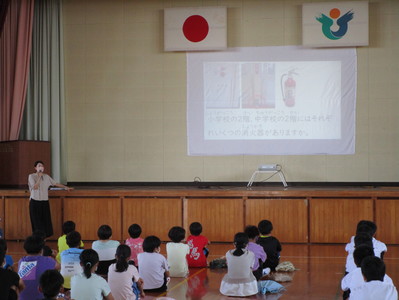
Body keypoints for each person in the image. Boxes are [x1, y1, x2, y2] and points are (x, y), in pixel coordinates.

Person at [28, 160, 72, 238]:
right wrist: (39, 177)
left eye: (42, 166)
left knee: (46, 221)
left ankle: (44, 239)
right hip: (35, 202)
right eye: (39, 166)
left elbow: (55, 183)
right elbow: (35, 187)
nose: (41, 167)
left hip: (44, 202)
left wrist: (66, 187)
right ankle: (38, 239)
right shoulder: (31, 176)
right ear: (35, 168)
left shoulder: (46, 176)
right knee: (36, 222)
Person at [18, 235, 59, 300]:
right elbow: (59, 267)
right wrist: (54, 257)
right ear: (41, 250)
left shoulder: (21, 261)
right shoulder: (48, 260)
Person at [219, 232, 258, 297]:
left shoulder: (228, 253)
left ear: (234, 243)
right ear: (247, 244)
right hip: (248, 287)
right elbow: (251, 268)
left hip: (229, 287)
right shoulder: (251, 254)